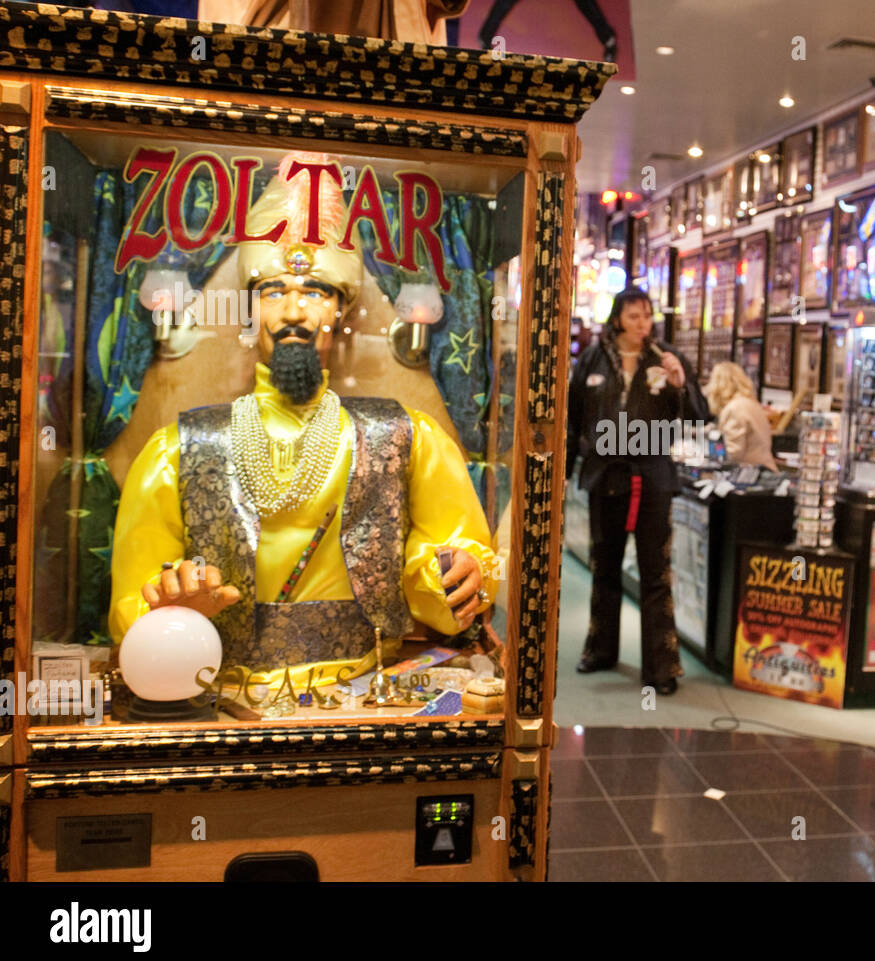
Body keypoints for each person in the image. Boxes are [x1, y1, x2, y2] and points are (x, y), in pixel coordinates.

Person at [109, 152, 498, 694]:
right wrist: (168, 608)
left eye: (314, 292)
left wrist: (452, 576)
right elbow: (132, 599)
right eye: (274, 292)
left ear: (340, 311)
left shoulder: (405, 437)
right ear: (251, 309)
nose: (293, 313)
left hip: (361, 689)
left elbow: (453, 561)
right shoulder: (179, 448)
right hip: (218, 691)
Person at [566, 288, 707, 694]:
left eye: (647, 316)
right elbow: (575, 417)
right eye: (633, 317)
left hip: (653, 476)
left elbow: (699, 415)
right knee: (604, 566)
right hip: (605, 476)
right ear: (617, 320)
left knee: (655, 573)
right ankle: (600, 650)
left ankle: (661, 668)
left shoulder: (666, 357)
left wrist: (680, 382)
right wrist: (565, 468)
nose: (642, 324)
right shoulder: (593, 358)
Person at [704, 361, 778, 471]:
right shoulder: (751, 403)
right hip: (764, 469)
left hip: (748, 475)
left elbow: (733, 453)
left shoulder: (734, 409)